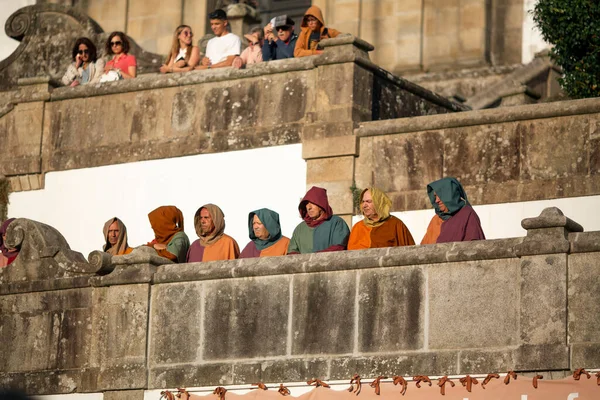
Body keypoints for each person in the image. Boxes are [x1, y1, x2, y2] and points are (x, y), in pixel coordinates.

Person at [420, 177, 486, 244]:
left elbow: (475, 246)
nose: (436, 200)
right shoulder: (436, 220)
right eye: (435, 196)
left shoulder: (467, 215)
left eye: (440, 196)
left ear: (450, 195)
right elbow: (423, 248)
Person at [287, 186, 350, 254]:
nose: (309, 207)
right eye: (306, 204)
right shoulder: (300, 229)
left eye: (312, 202)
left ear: (321, 203)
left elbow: (339, 248)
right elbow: (292, 253)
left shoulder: (336, 223)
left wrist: (314, 259)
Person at [348, 187, 415, 250]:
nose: (364, 205)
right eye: (363, 202)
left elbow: (410, 252)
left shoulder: (396, 225)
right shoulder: (357, 228)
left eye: (368, 201)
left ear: (379, 203)